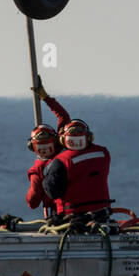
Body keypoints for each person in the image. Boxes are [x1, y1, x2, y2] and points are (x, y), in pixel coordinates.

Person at [33, 80, 112, 219]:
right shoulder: (103, 154)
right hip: (102, 215)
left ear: (63, 139)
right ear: (88, 137)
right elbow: (64, 117)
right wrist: (46, 98)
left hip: (70, 217)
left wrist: (42, 174)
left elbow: (46, 195)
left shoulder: (59, 162)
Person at [25, 124, 59, 214]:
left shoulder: (37, 170)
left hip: (60, 212)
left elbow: (32, 202)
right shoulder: (67, 157)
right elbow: (64, 118)